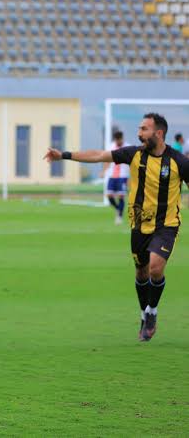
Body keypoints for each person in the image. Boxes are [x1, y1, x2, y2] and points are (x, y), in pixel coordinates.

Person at [44, 113, 189, 342]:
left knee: (155, 268)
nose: (139, 133)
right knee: (141, 273)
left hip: (166, 225)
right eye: (139, 128)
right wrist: (64, 155)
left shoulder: (179, 161)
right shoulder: (133, 154)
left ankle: (152, 311)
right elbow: (99, 155)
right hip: (139, 224)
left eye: (144, 129)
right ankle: (143, 313)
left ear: (159, 133)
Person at [101, 130, 130, 225]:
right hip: (112, 175)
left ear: (122, 138)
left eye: (119, 140)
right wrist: (104, 171)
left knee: (121, 196)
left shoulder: (128, 147)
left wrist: (131, 176)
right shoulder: (111, 147)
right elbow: (106, 160)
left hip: (123, 175)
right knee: (109, 195)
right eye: (116, 140)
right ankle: (118, 209)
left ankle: (119, 216)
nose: (118, 141)